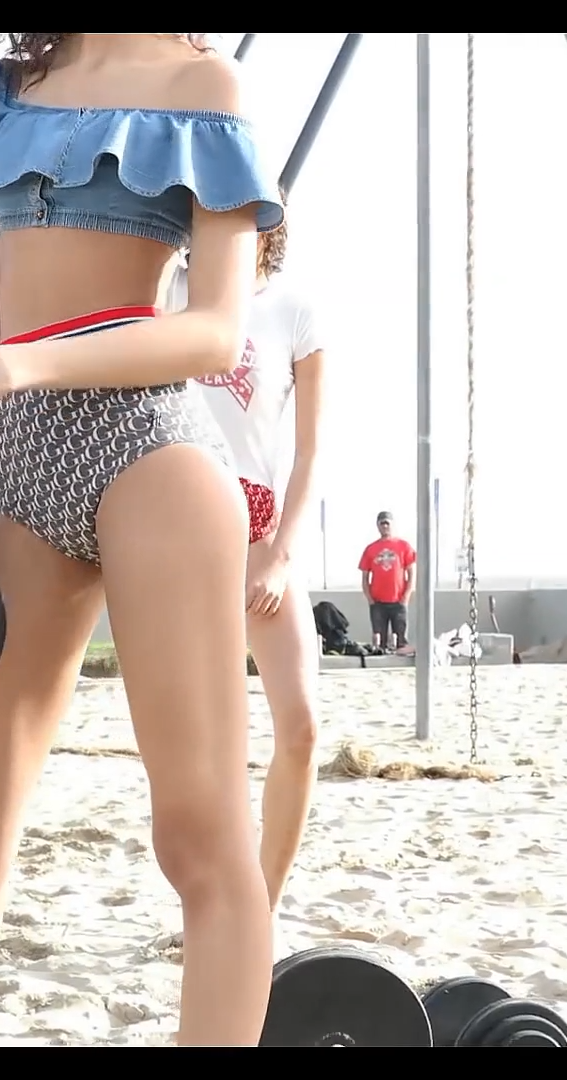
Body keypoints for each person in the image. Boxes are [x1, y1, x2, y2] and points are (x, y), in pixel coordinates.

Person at [0, 34, 284, 1046]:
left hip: (152, 459)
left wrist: (12, 368)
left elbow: (214, 331)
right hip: (27, 482)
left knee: (201, 842)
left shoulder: (203, 86)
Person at [170, 188, 332, 914]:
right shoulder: (166, 290)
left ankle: (260, 908)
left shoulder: (293, 312)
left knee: (301, 729)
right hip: (178, 526)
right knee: (206, 749)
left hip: (260, 532)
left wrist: (280, 554)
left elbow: (309, 453)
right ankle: (215, 911)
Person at [358, 512, 416, 651]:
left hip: (398, 602)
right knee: (379, 642)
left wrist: (406, 596)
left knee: (401, 640)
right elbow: (365, 577)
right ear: (377, 526)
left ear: (392, 524)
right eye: (382, 523)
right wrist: (370, 599)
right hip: (378, 603)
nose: (385, 526)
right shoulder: (370, 549)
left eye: (387, 523)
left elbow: (411, 573)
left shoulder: (404, 546)